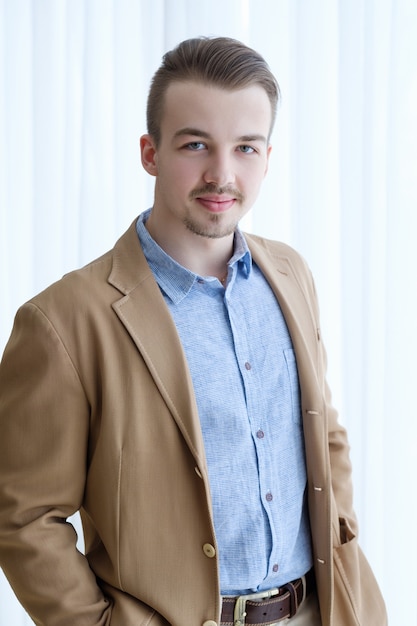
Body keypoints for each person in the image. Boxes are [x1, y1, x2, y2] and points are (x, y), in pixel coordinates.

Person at [0, 36, 387, 626]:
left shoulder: (290, 274)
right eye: (196, 144)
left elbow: (323, 431)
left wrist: (342, 550)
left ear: (267, 156)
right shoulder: (64, 322)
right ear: (150, 152)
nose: (222, 174)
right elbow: (22, 515)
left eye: (246, 148)